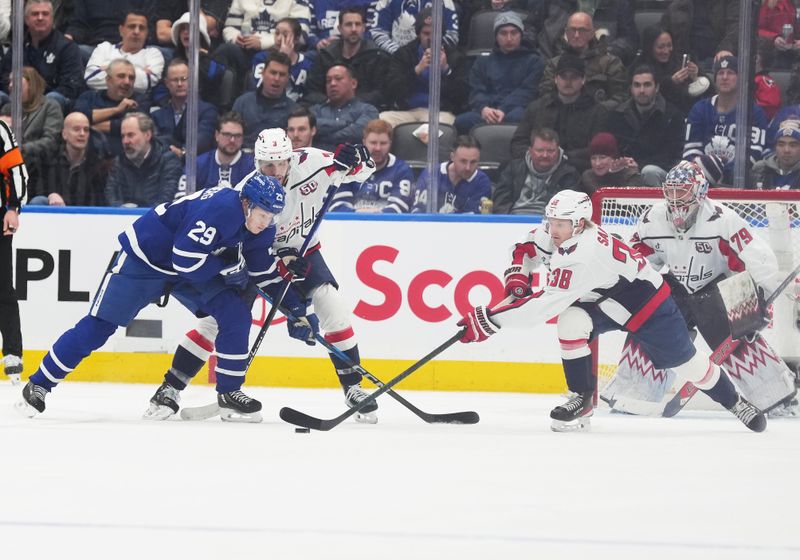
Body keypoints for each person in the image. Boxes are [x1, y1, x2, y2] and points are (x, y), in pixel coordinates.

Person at [455, 188, 768, 432]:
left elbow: (539, 309)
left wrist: (489, 320)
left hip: (648, 308)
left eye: (560, 225)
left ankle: (735, 402)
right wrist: (519, 276)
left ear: (578, 224)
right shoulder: (563, 230)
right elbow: (527, 248)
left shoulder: (583, 253)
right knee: (572, 322)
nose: (553, 230)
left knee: (689, 364)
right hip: (605, 301)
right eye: (551, 222)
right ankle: (582, 399)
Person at [16, 173, 315, 421]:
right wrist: (226, 266)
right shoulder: (222, 209)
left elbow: (263, 272)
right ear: (247, 203)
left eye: (270, 216)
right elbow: (184, 260)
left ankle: (229, 392)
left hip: (192, 265)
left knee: (235, 312)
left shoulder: (261, 227)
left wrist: (295, 309)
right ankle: (39, 384)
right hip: (145, 260)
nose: (266, 222)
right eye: (262, 215)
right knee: (100, 327)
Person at [145, 128, 383, 423]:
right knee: (214, 322)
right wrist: (281, 270)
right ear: (257, 162)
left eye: (280, 163)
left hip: (304, 251)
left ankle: (354, 388)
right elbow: (247, 242)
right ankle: (170, 388)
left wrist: (358, 158)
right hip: (259, 256)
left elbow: (362, 172)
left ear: (289, 158)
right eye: (266, 165)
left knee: (331, 304)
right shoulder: (249, 189)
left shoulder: (314, 162)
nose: (273, 171)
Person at [601, 160, 798, 417]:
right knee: (652, 325)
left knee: (741, 342)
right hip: (676, 287)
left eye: (681, 190)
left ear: (699, 191)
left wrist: (756, 295)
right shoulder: (653, 218)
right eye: (670, 190)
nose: (674, 198)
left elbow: (758, 260)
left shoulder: (722, 220)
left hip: (721, 288)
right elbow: (639, 259)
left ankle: (777, 400)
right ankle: (634, 395)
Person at [510, 54, 608, 172]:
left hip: (578, 170)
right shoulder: (536, 107)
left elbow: (598, 149)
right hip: (537, 167)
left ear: (583, 80)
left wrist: (562, 157)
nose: (568, 81)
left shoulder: (597, 111)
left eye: (574, 77)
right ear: (555, 79)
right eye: (563, 76)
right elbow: (518, 143)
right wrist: (538, 156)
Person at [683, 55, 769, 185]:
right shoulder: (700, 109)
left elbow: (754, 154)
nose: (724, 77)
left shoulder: (754, 112)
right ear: (715, 78)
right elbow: (691, 150)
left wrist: (722, 171)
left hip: (738, 181)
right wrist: (706, 170)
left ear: (740, 78)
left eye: (730, 73)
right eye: (720, 73)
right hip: (700, 180)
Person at [454, 11, 543, 134]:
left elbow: (527, 92)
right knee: (461, 122)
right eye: (503, 33)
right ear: (496, 36)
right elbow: (477, 90)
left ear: (521, 35)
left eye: (514, 33)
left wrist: (503, 109)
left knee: (517, 118)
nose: (509, 38)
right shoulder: (482, 61)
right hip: (488, 112)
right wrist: (484, 108)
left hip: (517, 109)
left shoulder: (534, 61)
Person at [380, 6, 468, 127]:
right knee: (382, 120)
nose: (431, 38)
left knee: (439, 127)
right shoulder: (403, 54)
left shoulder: (455, 57)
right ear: (418, 34)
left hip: (440, 113)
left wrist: (446, 70)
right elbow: (391, 90)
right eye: (426, 33)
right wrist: (416, 70)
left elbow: (462, 97)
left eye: (435, 33)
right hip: (407, 111)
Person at [607, 64, 686, 187]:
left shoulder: (672, 115)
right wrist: (623, 163)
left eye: (647, 85)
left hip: (662, 172)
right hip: (626, 170)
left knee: (649, 171)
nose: (642, 90)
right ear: (631, 88)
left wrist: (639, 165)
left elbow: (672, 154)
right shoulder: (618, 115)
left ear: (657, 87)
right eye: (637, 85)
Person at [0, 0, 84, 112]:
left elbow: (71, 86)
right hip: (18, 99)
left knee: (53, 99)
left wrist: (35, 97)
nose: (40, 18)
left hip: (52, 103)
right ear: (26, 19)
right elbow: (4, 78)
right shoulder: (17, 47)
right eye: (35, 14)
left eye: (45, 14)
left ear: (52, 18)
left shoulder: (67, 48)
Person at [537, 11, 628, 110]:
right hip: (563, 117)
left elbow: (620, 98)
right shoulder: (555, 64)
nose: (576, 35)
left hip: (598, 118)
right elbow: (545, 96)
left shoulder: (610, 63)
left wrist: (597, 111)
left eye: (582, 30)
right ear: (566, 33)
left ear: (592, 33)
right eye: (572, 30)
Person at [305, 7, 391, 109]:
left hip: (364, 110)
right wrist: (331, 101)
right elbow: (311, 90)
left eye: (358, 24)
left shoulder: (377, 56)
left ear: (364, 28)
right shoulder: (325, 55)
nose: (354, 29)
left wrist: (351, 102)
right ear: (340, 28)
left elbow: (382, 92)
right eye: (348, 24)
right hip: (328, 109)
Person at [28, 111, 112, 206]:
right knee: (39, 201)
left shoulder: (97, 165)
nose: (82, 134)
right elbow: (33, 191)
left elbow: (99, 202)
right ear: (64, 134)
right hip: (53, 215)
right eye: (76, 129)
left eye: (86, 130)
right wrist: (50, 195)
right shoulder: (46, 159)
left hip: (84, 217)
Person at [331, 119, 415, 213]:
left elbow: (400, 208)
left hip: (387, 226)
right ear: (364, 142)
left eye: (383, 143)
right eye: (373, 143)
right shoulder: (348, 167)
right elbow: (336, 205)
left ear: (390, 143)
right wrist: (357, 215)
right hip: (350, 225)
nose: (378, 148)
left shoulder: (401, 170)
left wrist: (375, 216)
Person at [492, 127, 581, 215]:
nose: (545, 155)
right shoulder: (514, 168)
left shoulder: (568, 174)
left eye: (550, 151)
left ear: (558, 151)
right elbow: (500, 202)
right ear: (530, 151)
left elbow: (569, 209)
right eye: (540, 150)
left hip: (550, 223)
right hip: (514, 220)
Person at [4, 67, 64, 196]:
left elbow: (50, 141)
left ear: (32, 85)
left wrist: (21, 149)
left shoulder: (49, 106)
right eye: (9, 82)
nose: (11, 85)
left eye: (16, 82)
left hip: (40, 172)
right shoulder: (8, 109)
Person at [73, 58, 151, 157]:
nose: (127, 82)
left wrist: (90, 127)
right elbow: (77, 119)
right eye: (121, 76)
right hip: (89, 158)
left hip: (126, 160)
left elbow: (132, 127)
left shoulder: (140, 100)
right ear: (108, 79)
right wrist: (117, 110)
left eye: (131, 78)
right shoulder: (89, 97)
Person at [0, 120, 29, 385]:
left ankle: (11, 351)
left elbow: (16, 170)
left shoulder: (0, 129)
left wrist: (12, 207)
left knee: (2, 288)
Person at [104, 112, 182, 207]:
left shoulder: (168, 160)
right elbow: (110, 194)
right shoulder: (118, 162)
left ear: (147, 135)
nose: (125, 141)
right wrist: (121, 210)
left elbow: (166, 197)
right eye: (123, 136)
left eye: (130, 135)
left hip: (155, 219)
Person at [84, 10, 165, 98]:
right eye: (132, 26)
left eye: (141, 28)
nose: (136, 32)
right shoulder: (104, 48)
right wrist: (140, 72)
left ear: (147, 33)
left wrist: (108, 68)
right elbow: (91, 78)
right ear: (121, 30)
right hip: (100, 102)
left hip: (136, 104)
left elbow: (148, 82)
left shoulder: (153, 54)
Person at [630, 25, 710, 114]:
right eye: (661, 47)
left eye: (669, 45)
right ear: (650, 47)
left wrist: (696, 77)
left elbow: (709, 92)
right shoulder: (638, 66)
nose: (666, 51)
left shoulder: (680, 60)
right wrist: (671, 83)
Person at [151, 58, 218, 160]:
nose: (179, 84)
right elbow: (156, 142)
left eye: (184, 79)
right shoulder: (157, 115)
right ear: (166, 83)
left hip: (197, 165)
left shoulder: (207, 111)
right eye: (174, 80)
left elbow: (204, 137)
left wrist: (183, 152)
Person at [179, 112, 255, 196]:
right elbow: (181, 199)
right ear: (217, 135)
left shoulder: (253, 167)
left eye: (238, 136)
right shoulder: (197, 164)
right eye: (227, 134)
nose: (232, 140)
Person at [232, 50, 298, 145]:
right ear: (263, 73)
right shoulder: (242, 103)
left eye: (282, 75)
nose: (276, 78)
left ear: (287, 79)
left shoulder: (294, 111)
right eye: (273, 73)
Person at [412, 135, 492, 214]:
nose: (468, 168)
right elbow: (418, 212)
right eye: (463, 161)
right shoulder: (432, 174)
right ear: (452, 157)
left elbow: (474, 220)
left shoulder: (481, 182)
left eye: (473, 162)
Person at [311, 63, 379, 151]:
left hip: (354, 160)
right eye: (328, 80)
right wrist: (346, 123)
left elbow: (358, 133)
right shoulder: (316, 110)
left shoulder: (368, 110)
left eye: (338, 79)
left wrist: (324, 138)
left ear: (353, 83)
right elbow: (310, 127)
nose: (332, 84)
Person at [248, 17, 314, 102]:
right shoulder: (261, 58)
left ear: (296, 39)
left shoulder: (307, 64)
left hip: (295, 110)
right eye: (277, 33)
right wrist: (282, 58)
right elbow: (260, 87)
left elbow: (308, 94)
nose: (279, 38)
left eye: (285, 35)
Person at [371, 0, 459, 54]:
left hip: (436, 60)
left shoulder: (445, 1)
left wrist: (433, 53)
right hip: (396, 61)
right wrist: (400, 55)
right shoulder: (386, 1)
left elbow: (452, 34)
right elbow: (379, 33)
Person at [751, 119, 800, 190]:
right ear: (775, 147)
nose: (786, 150)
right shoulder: (760, 169)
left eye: (793, 145)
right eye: (781, 144)